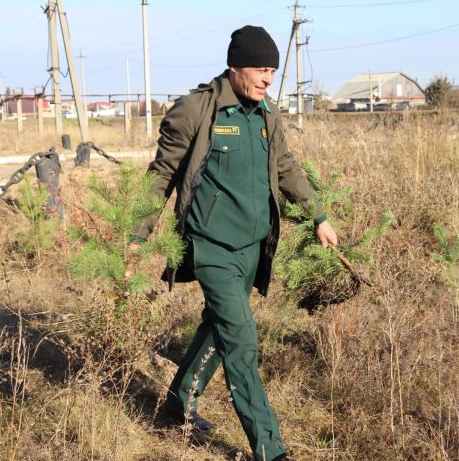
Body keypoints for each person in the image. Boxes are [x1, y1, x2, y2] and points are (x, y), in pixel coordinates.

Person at [131, 25, 337, 461]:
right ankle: (270, 448)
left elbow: (285, 168)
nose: (267, 79)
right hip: (211, 246)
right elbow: (161, 175)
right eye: (261, 70)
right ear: (235, 66)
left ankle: (176, 404)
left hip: (253, 248)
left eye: (272, 72)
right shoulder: (197, 110)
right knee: (241, 340)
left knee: (218, 327)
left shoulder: (267, 115)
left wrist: (317, 215)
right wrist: (137, 234)